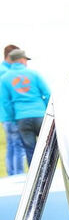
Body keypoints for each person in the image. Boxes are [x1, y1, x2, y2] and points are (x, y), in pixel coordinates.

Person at [0, 48, 50, 165]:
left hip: (21, 118)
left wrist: (13, 119)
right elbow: (47, 94)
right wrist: (49, 111)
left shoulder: (4, 79)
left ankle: (36, 180)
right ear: (22, 60)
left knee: (30, 150)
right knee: (47, 147)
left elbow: (6, 103)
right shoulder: (34, 74)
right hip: (40, 116)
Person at [0, 44, 26, 175]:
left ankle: (12, 174)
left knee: (11, 146)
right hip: (12, 115)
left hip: (4, 116)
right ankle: (18, 175)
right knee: (18, 146)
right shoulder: (7, 73)